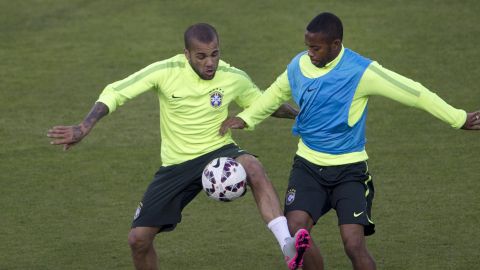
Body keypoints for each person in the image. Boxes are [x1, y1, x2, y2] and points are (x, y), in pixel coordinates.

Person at [219, 12, 480, 270]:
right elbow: (274, 94)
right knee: (295, 228)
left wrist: (458, 118)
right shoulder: (299, 66)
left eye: (316, 48)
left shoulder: (361, 71)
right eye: (307, 47)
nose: (310, 53)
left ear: (336, 45)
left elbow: (414, 92)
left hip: (350, 172)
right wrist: (246, 118)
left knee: (353, 245)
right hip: (308, 167)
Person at [47, 23, 312, 270]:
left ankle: (287, 245)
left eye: (214, 54)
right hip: (176, 165)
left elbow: (263, 103)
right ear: (186, 54)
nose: (210, 63)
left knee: (253, 165)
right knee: (138, 240)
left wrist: (301, 114)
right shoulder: (166, 71)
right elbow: (116, 91)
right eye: (201, 56)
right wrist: (84, 126)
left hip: (218, 151)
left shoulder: (233, 77)